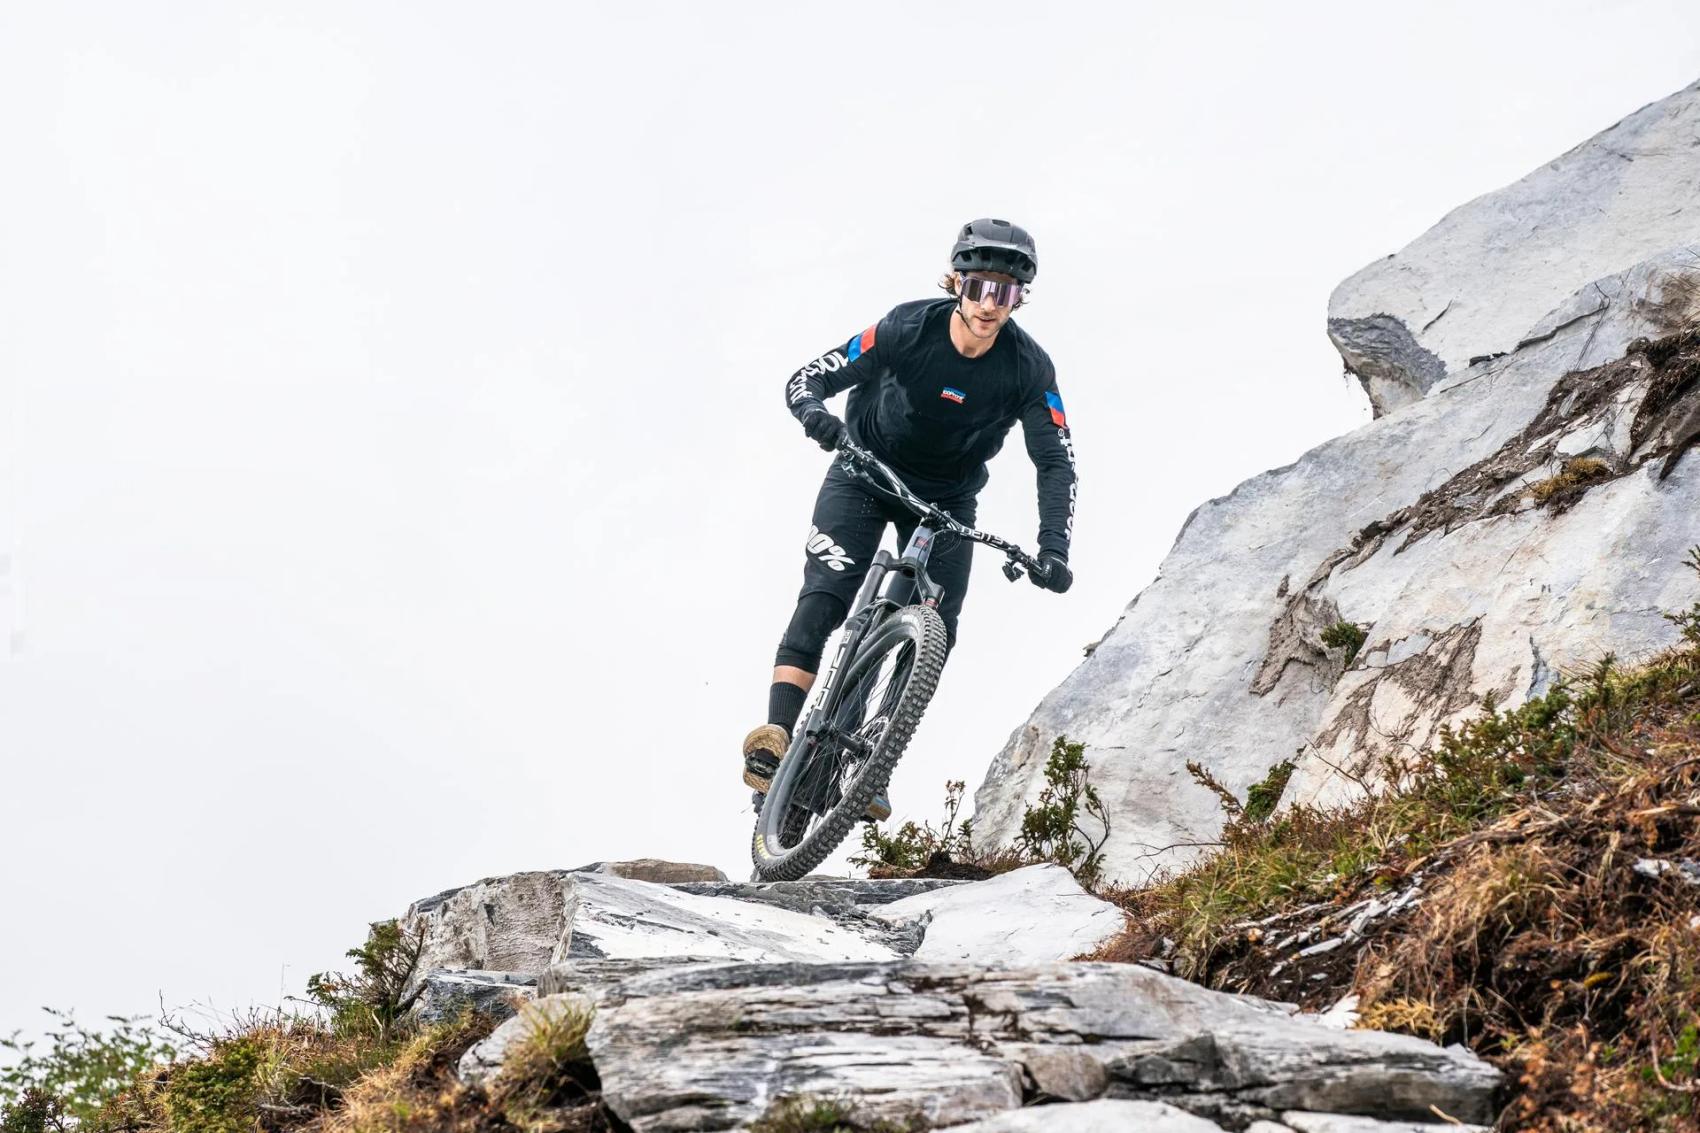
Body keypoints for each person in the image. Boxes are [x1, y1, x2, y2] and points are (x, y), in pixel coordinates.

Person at [742, 218, 1077, 820]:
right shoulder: (906, 327)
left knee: (937, 626)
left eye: (1006, 293)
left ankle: (873, 756)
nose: (989, 305)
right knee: (827, 594)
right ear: (956, 282)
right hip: (864, 472)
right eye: (979, 287)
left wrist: (1054, 547)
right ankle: (776, 736)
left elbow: (1054, 461)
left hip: (949, 499)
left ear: (1020, 298)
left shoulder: (1029, 368)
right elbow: (808, 376)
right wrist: (816, 416)